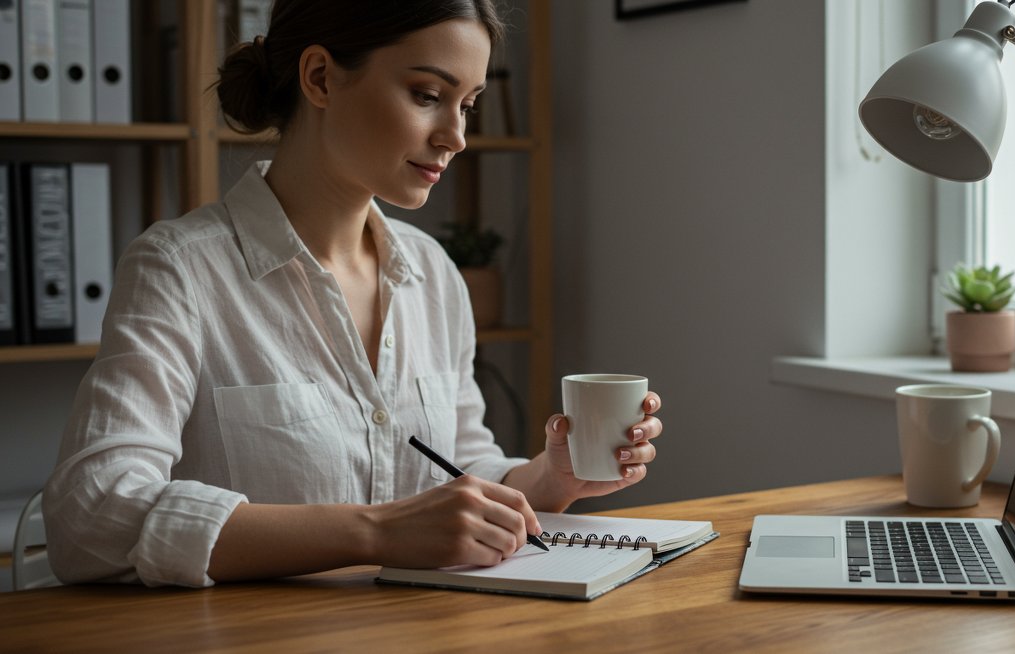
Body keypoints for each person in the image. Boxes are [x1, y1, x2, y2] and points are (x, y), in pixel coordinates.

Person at [43, 0, 662, 588]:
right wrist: (374, 532)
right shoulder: (179, 271)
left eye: (467, 104)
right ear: (319, 78)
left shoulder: (433, 273)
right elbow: (90, 517)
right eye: (427, 96)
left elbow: (460, 469)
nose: (456, 136)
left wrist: (550, 478)